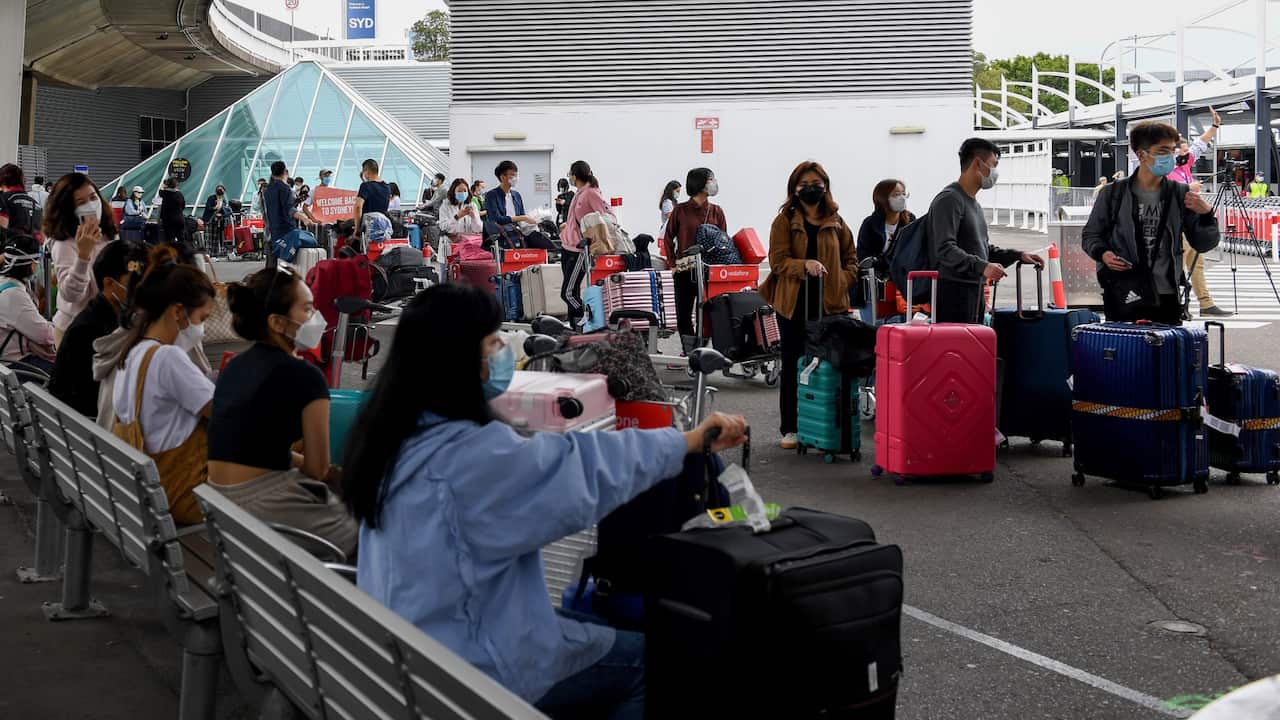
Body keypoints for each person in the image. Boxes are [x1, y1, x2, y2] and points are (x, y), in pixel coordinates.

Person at [343, 283, 748, 718]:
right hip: (474, 670)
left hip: (407, 657)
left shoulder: (392, 438)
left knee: (589, 627)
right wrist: (687, 440)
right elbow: (584, 467)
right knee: (648, 659)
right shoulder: (471, 460)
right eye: (494, 340)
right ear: (461, 360)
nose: (504, 350)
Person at [207, 266, 358, 557]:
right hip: (265, 504)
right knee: (366, 536)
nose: (316, 318)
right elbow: (318, 469)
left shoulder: (235, 366)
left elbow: (253, 444)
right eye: (307, 309)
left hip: (220, 501)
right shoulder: (305, 377)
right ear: (277, 322)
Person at [108, 245, 216, 524]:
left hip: (146, 492)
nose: (201, 327)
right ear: (178, 311)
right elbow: (226, 416)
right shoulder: (168, 358)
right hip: (182, 497)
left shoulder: (133, 353)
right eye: (202, 318)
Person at [758, 161, 858, 451]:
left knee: (831, 363)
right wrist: (806, 266)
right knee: (793, 364)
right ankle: (790, 427)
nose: (810, 188)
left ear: (825, 185)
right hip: (794, 304)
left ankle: (829, 425)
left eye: (816, 183)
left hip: (831, 304)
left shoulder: (837, 221)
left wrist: (842, 279)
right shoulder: (785, 221)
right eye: (804, 184)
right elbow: (777, 262)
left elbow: (851, 259)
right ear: (794, 188)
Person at [1082, 121, 1221, 325]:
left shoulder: (1180, 193)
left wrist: (1207, 214)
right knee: (1124, 350)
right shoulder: (1113, 193)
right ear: (1141, 154)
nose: (1171, 157)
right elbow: (1091, 235)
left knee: (1164, 353)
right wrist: (1103, 253)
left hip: (1166, 294)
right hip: (1123, 290)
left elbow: (1204, 244)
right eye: (1163, 151)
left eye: (1172, 151)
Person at [927, 138, 1044, 324]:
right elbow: (944, 248)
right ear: (977, 163)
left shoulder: (972, 203)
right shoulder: (949, 200)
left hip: (974, 289)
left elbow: (980, 248)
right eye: (993, 165)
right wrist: (982, 266)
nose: (995, 172)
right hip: (953, 293)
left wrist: (1017, 256)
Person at [48, 240, 147, 418]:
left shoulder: (100, 317)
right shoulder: (93, 331)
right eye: (135, 282)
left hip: (76, 429)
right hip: (89, 430)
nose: (143, 289)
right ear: (109, 283)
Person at [46, 172, 118, 346]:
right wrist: (83, 255)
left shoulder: (109, 234)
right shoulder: (64, 244)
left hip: (108, 328)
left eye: (93, 197)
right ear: (69, 209)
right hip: (75, 332)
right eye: (81, 203)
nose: (91, 205)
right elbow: (71, 294)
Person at [661, 167, 726, 353]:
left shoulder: (717, 211)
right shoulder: (680, 210)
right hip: (684, 269)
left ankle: (701, 350)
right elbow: (668, 237)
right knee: (683, 313)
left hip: (708, 271)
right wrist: (672, 264)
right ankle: (689, 350)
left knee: (707, 314)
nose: (713, 183)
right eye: (710, 179)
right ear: (699, 183)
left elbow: (724, 241)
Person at [558, 161, 612, 324]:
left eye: (570, 175)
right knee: (572, 290)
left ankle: (587, 319)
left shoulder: (591, 193)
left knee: (566, 293)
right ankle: (575, 328)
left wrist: (589, 235)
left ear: (575, 176)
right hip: (567, 246)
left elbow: (607, 216)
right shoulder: (578, 193)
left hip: (579, 249)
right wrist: (568, 226)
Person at [0, 232, 57, 372]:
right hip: (15, 364)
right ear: (32, 265)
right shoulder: (14, 295)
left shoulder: (5, 283)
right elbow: (44, 335)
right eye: (37, 262)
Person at [483, 160, 543, 250]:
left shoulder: (516, 195)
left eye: (516, 175)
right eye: (512, 175)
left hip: (517, 235)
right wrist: (523, 218)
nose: (516, 178)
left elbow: (521, 215)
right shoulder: (491, 195)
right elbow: (495, 219)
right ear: (502, 177)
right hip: (501, 238)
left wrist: (531, 220)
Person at [264, 161, 305, 270]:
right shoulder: (285, 188)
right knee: (287, 263)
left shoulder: (268, 189)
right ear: (285, 172)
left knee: (272, 263)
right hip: (286, 230)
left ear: (272, 174)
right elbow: (289, 209)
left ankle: (270, 283)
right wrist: (304, 218)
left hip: (273, 229)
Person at [1170, 107, 1221, 186]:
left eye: (1187, 150)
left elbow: (1201, 142)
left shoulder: (1185, 161)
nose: (1188, 153)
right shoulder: (1165, 171)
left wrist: (1215, 125)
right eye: (1185, 151)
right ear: (1175, 152)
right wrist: (1190, 187)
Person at [353, 158, 391, 242]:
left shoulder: (365, 186)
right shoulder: (387, 187)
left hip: (368, 227)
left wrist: (357, 229)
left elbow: (358, 207)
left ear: (366, 172)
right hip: (382, 228)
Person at [0, 164, 37, 235]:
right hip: (32, 245)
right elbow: (41, 237)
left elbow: (2, 229)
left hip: (10, 244)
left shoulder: (3, 199)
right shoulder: (35, 204)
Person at [156, 178, 187, 248]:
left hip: (168, 219)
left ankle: (172, 255)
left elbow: (160, 191)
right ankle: (183, 254)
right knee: (181, 238)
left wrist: (163, 186)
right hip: (179, 218)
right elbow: (183, 206)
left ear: (167, 185)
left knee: (169, 239)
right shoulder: (179, 194)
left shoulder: (164, 194)